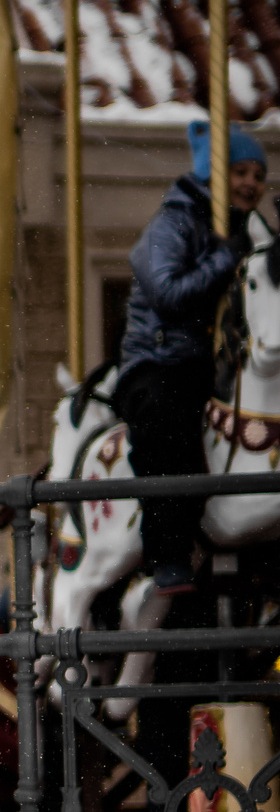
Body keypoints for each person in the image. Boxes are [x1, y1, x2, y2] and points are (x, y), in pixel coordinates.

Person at [118, 121, 270, 596]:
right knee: (170, 433)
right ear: (212, 174)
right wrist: (224, 259)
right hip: (158, 362)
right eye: (239, 171)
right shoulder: (173, 224)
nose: (250, 183)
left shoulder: (249, 234)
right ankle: (167, 553)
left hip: (206, 367)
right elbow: (167, 292)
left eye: (257, 175)